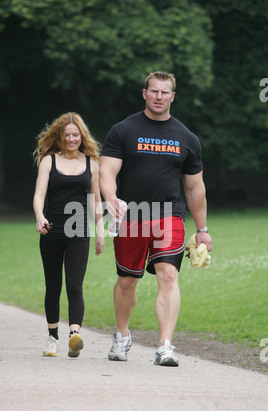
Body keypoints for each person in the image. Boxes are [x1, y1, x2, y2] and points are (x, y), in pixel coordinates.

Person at [100, 71, 212, 367]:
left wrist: (202, 229)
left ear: (173, 96)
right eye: (154, 91)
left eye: (165, 92)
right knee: (126, 280)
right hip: (131, 216)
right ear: (144, 93)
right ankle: (122, 336)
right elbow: (107, 171)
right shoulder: (123, 130)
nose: (159, 97)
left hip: (169, 216)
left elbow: (194, 187)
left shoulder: (187, 138)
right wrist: (110, 197)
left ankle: (165, 345)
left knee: (168, 275)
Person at [33, 112, 104, 358]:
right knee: (53, 286)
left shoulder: (91, 163)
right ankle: (52, 338)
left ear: (82, 136)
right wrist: (39, 216)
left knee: (75, 285)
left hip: (79, 232)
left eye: (76, 135)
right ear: (60, 137)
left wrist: (100, 232)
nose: (72, 139)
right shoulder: (49, 161)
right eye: (67, 135)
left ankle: (74, 335)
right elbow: (39, 195)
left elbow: (96, 200)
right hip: (51, 231)